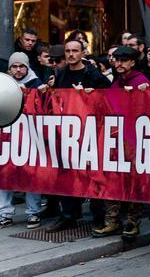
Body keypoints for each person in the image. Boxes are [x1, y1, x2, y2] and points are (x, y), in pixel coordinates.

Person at [46, 39, 111, 233]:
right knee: (67, 174)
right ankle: (68, 216)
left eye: (75, 51)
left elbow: (109, 99)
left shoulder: (93, 74)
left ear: (83, 53)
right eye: (68, 51)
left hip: (91, 133)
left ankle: (98, 217)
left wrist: (92, 96)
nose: (71, 54)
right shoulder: (61, 74)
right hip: (68, 132)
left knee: (93, 175)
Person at [93, 46, 150, 240]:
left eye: (123, 60)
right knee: (112, 180)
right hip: (115, 139)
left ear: (132, 62)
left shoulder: (141, 81)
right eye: (116, 60)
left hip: (133, 141)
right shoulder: (116, 82)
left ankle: (133, 223)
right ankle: (112, 221)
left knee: (134, 183)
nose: (119, 64)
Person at [0, 52, 44, 231]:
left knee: (32, 175)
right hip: (7, 137)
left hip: (30, 136)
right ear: (9, 68)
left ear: (27, 67)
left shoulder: (37, 83)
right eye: (14, 66)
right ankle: (5, 214)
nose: (18, 70)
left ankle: (33, 212)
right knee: (4, 174)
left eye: (21, 66)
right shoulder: (3, 84)